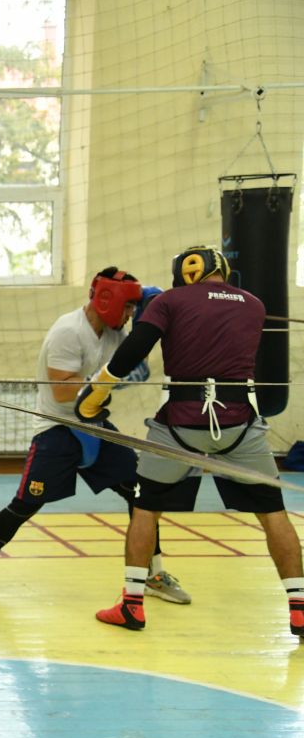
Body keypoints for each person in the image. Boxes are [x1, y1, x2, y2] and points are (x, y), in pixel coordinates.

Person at [78, 246, 304, 634]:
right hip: (240, 426)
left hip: (180, 425)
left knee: (145, 507)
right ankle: (300, 609)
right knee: (273, 512)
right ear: (224, 270)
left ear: (185, 272)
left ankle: (132, 603)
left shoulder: (169, 301)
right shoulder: (253, 304)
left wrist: (97, 391)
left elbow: (134, 349)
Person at [0, 268, 191, 605]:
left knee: (142, 495)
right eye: (127, 308)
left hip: (95, 426)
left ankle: (152, 573)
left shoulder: (113, 334)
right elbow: (65, 393)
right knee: (25, 504)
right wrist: (109, 380)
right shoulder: (68, 331)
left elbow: (136, 371)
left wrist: (147, 326)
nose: (128, 316)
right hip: (57, 428)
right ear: (109, 301)